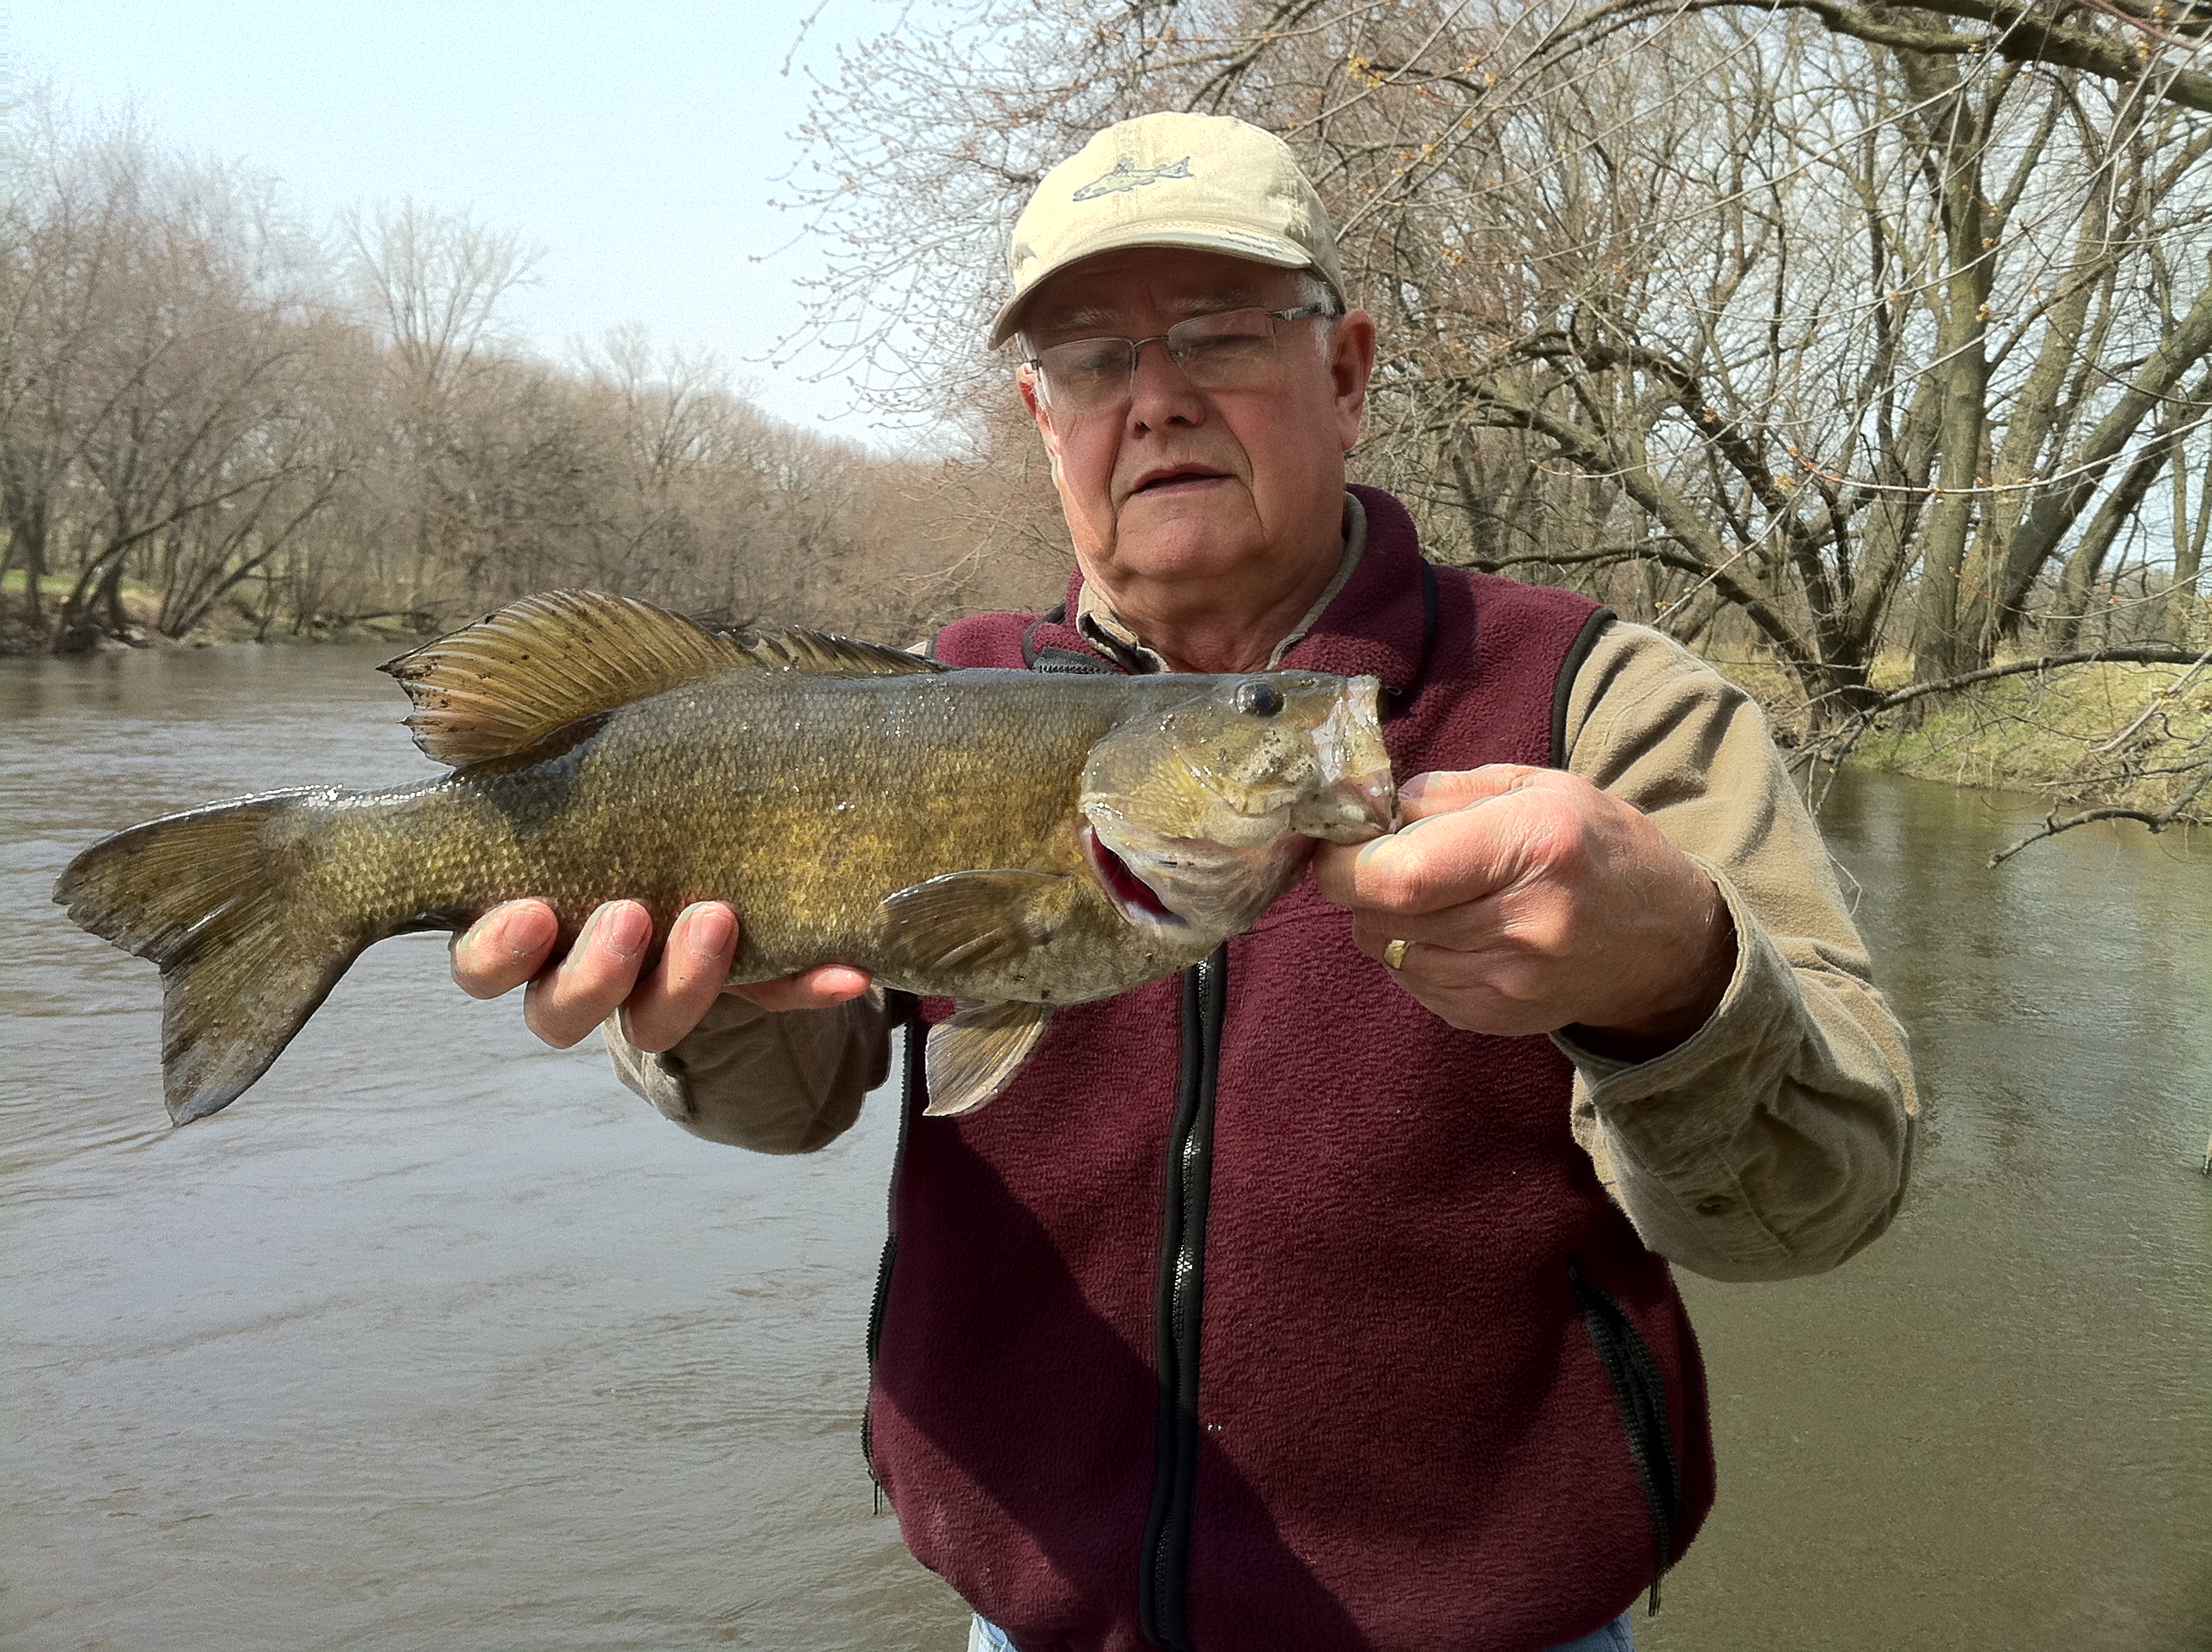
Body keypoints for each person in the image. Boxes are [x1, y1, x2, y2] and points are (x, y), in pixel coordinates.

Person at [450, 113, 1917, 1652]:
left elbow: (1819, 1204)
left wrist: (1677, 983)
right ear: (1040, 415)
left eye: (1218, 335)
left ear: (1345, 373)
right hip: (1028, 1625)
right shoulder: (932, 696)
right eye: (1091, 361)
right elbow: (791, 1096)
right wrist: (694, 1014)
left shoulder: (1606, 707)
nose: (1155, 402)